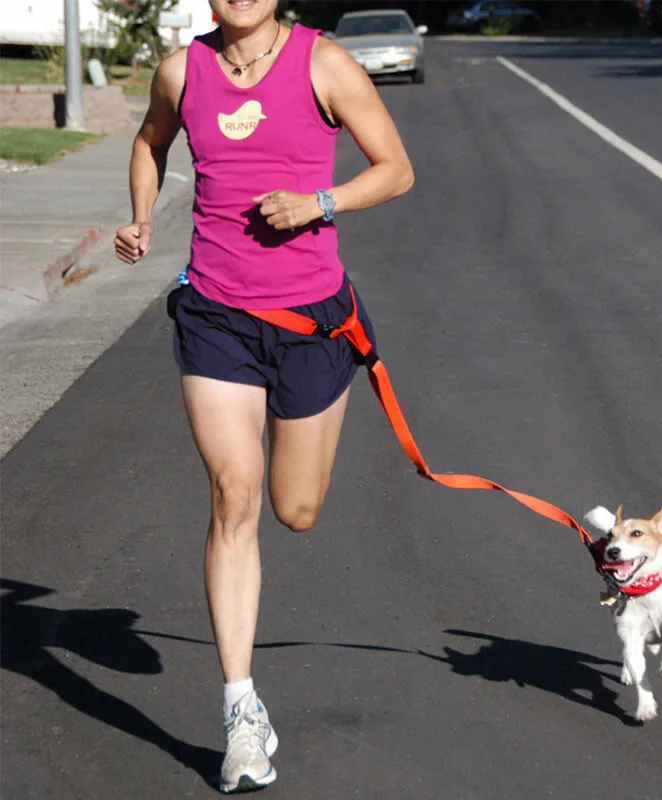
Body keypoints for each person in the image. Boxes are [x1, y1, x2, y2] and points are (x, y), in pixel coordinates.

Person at [114, 0, 414, 792]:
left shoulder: (324, 63)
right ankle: (240, 711)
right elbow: (148, 144)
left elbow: (396, 168)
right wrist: (142, 218)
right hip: (215, 313)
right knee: (232, 495)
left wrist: (321, 203)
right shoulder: (182, 70)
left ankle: (248, 706)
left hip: (311, 321)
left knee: (296, 509)